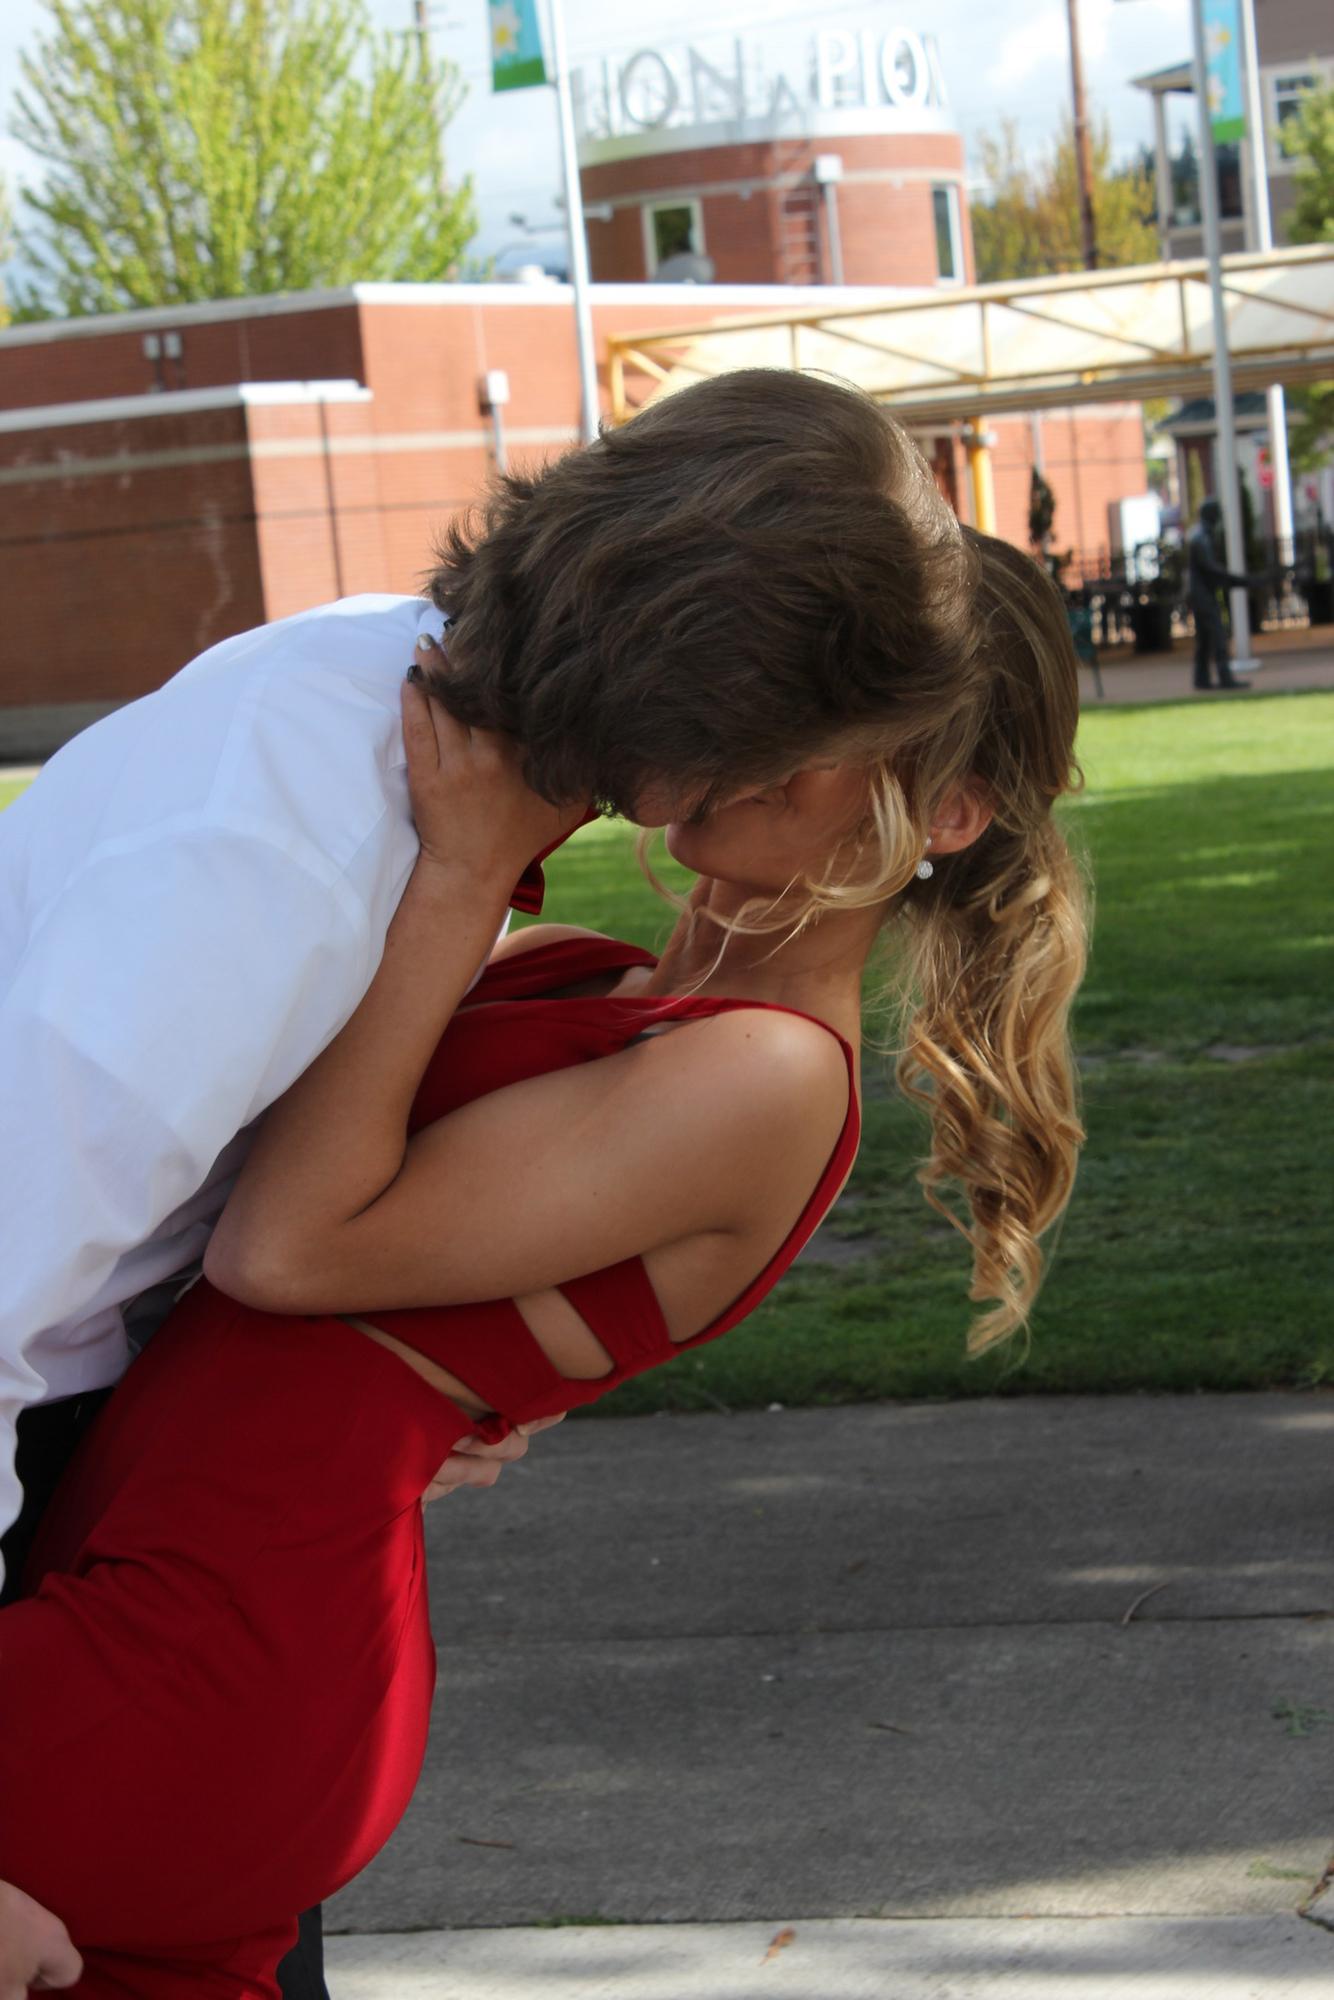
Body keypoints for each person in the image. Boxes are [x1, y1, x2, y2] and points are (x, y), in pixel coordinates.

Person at [0, 517, 1089, 1997]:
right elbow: (251, 1132)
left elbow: (282, 1246)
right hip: (163, 1572)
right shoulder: (598, 971)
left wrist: (463, 872)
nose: (747, 740)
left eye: (814, 730)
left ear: (943, 812)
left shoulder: (768, 1076)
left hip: (211, 1665)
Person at [1186, 496, 1251, 691]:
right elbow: (1210, 569)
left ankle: (1201, 679)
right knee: (1218, 636)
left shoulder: (1200, 535)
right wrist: (1236, 579)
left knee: (1205, 640)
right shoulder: (1201, 538)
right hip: (1202, 595)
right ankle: (1224, 677)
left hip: (1201, 594)